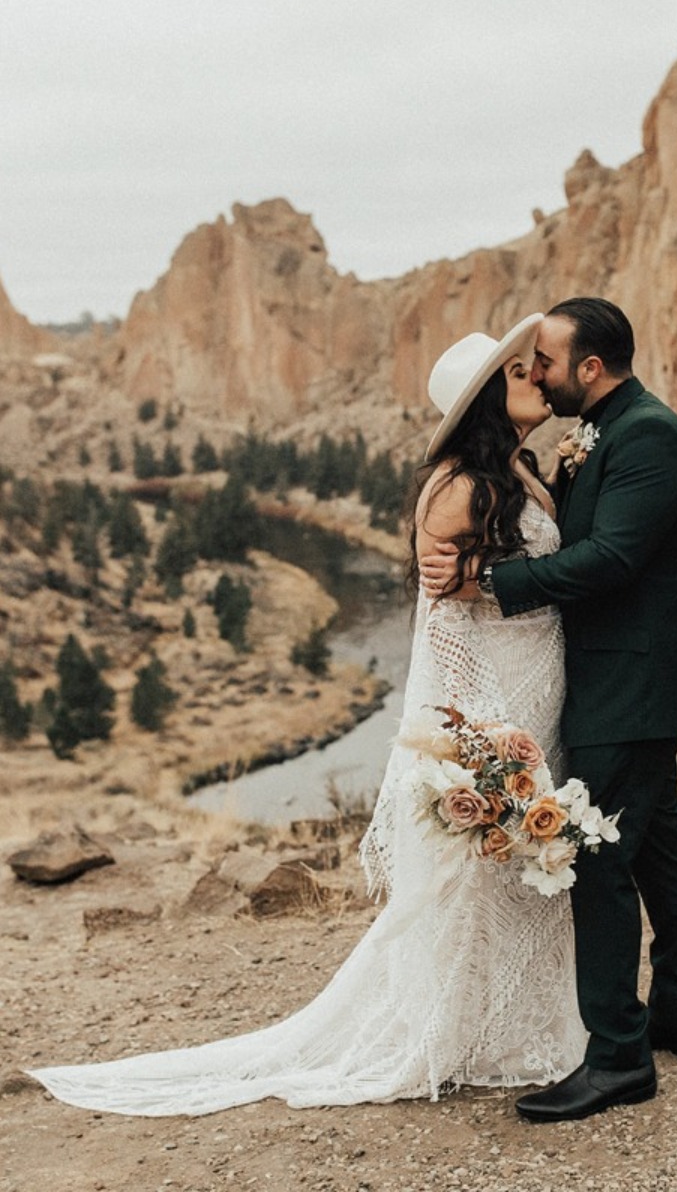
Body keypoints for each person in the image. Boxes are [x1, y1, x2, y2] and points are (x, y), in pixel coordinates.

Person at [26, 313, 589, 1117]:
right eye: (518, 373)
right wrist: (476, 732)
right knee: (471, 873)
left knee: (516, 873)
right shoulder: (461, 485)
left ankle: (508, 1025)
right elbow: (443, 621)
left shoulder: (525, 474)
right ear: (486, 405)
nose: (535, 376)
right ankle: (452, 1033)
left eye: (533, 366)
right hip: (497, 695)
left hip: (539, 683)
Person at [421, 297, 677, 1123]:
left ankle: (619, 1057)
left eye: (543, 359)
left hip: (630, 684)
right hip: (628, 679)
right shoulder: (602, 432)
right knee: (656, 844)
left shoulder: (648, 435)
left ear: (590, 368)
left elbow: (616, 558)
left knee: (596, 857)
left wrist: (491, 585)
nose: (536, 372)